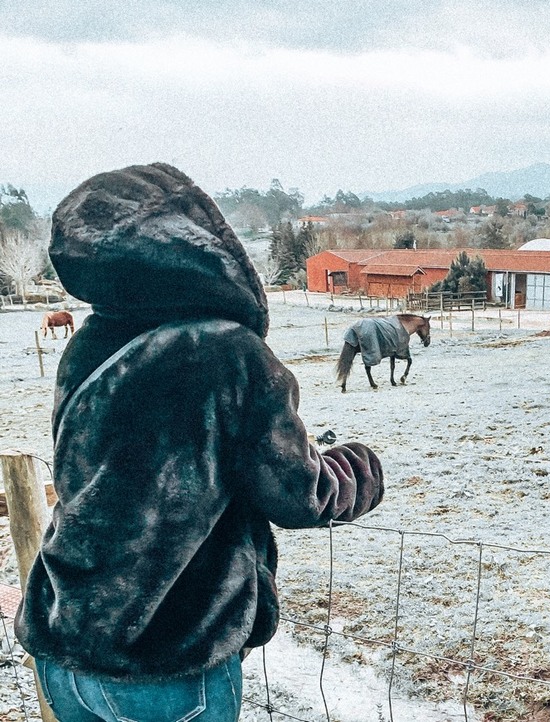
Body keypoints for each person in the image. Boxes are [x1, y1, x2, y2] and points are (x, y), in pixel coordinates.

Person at [14, 163, 385, 721]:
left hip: (65, 643)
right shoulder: (230, 353)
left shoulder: (89, 343)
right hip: (166, 661)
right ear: (205, 243)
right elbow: (300, 494)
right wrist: (359, 468)